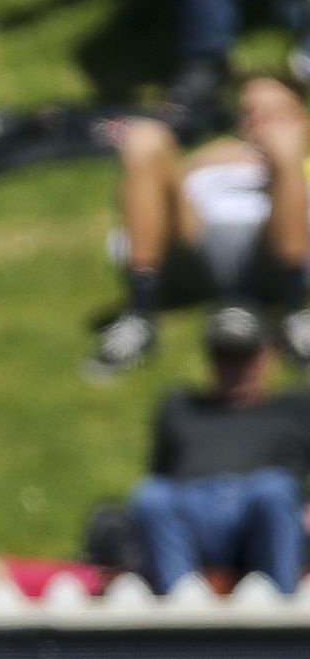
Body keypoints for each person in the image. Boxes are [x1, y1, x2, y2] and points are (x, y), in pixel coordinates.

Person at [87, 75, 310, 377]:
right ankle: (140, 315)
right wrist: (203, 161)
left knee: (284, 148)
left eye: (274, 113)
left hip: (272, 246)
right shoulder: (214, 157)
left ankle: (295, 312)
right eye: (251, 113)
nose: (260, 122)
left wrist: (281, 160)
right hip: (195, 241)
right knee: (144, 137)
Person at [129, 303, 310, 594]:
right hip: (191, 507)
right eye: (223, 356)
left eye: (243, 356)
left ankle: (279, 613)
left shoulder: (297, 409)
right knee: (152, 496)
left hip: (260, 505)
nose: (233, 368)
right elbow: (159, 473)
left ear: (268, 355)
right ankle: (179, 615)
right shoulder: (180, 406)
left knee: (274, 490)